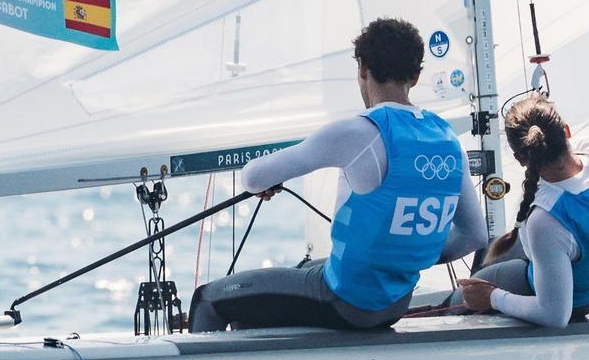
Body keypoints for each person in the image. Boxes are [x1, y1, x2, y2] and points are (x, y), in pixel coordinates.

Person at [188, 18, 488, 333]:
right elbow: (475, 235)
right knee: (302, 270)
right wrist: (406, 256)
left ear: (362, 69)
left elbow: (253, 177)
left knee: (208, 299)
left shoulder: (358, 132)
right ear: (415, 75)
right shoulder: (448, 139)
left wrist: (268, 181)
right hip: (395, 305)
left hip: (345, 302)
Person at [455, 96, 589, 326]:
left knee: (470, 289)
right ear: (566, 130)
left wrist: (492, 298)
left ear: (520, 158)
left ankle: (446, 312)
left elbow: (555, 315)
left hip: (581, 300)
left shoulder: (545, 220)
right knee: (514, 245)